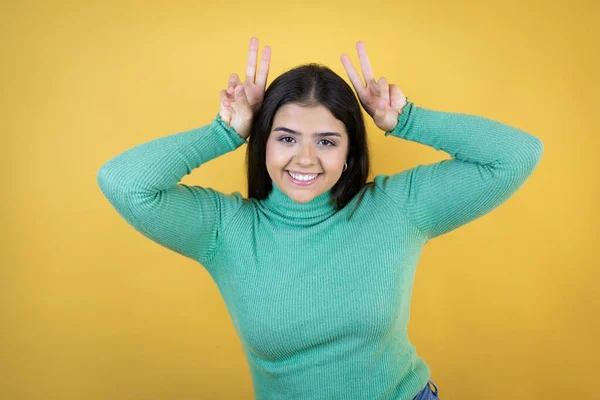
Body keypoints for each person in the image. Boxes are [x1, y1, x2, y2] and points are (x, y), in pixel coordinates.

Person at [97, 37, 543, 400]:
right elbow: (123, 182)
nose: (305, 159)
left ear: (350, 151)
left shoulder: (396, 208)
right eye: (287, 137)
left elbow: (516, 155)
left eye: (327, 141)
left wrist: (404, 119)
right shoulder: (224, 228)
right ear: (262, 143)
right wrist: (224, 131)